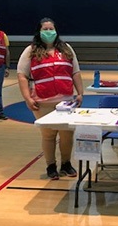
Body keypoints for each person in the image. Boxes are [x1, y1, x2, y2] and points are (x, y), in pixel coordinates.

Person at [17, 17, 84, 180]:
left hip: (67, 101)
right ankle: (51, 166)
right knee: (48, 135)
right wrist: (27, 98)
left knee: (67, 135)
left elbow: (75, 72)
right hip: (42, 102)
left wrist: (80, 92)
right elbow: (22, 75)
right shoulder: (30, 51)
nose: (48, 32)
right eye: (45, 29)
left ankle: (66, 164)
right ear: (39, 32)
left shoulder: (67, 49)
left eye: (51, 29)